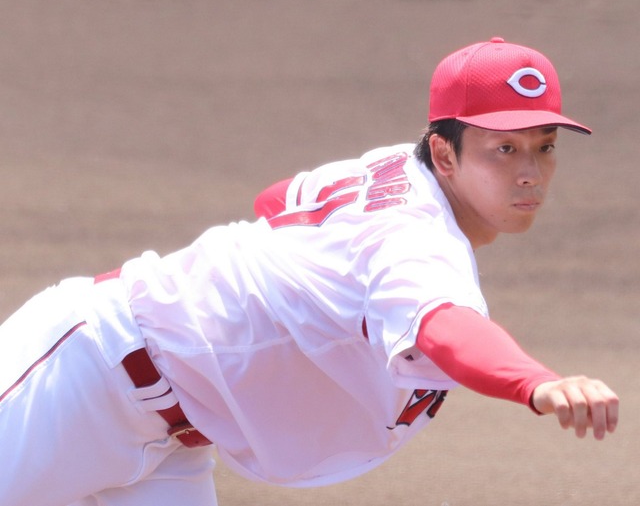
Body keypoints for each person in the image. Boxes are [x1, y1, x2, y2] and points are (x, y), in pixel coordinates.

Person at [0, 37, 619, 506]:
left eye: (544, 145)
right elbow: (445, 327)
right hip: (79, 377)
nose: (530, 173)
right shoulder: (413, 240)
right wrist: (535, 384)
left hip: (169, 443)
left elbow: (276, 199)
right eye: (504, 148)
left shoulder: (390, 168)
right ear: (444, 153)